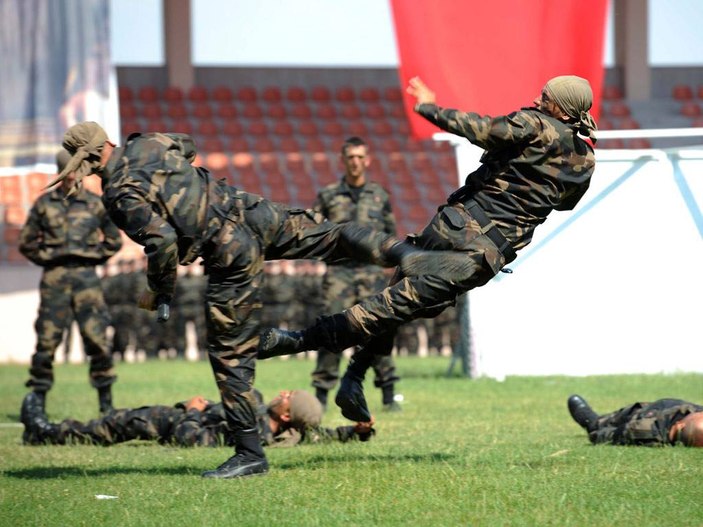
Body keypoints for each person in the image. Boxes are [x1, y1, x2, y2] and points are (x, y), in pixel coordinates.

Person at [50, 121, 464, 479]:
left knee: (229, 355)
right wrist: (187, 186)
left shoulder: (119, 192)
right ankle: (408, 255)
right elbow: (189, 145)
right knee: (329, 234)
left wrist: (160, 289)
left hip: (228, 253)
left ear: (86, 159)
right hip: (248, 210)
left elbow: (161, 240)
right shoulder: (150, 141)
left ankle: (250, 454)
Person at [260, 75, 598, 423]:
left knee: (393, 303)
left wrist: (427, 106)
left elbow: (479, 129)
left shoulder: (536, 125)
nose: (538, 98)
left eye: (546, 96)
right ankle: (324, 358)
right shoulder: (585, 159)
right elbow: (563, 204)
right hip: (481, 254)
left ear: (562, 105)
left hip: (454, 226)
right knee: (395, 306)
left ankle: (336, 366)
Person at [19, 149, 123, 415]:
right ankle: (38, 403)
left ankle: (106, 406)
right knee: (47, 340)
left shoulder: (96, 203)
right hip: (54, 278)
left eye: (76, 171)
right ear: (61, 173)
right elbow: (26, 243)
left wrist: (91, 258)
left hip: (86, 278)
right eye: (68, 172)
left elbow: (113, 241)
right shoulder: (44, 204)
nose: (72, 177)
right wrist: (50, 259)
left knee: (96, 338)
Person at [310, 136, 400, 412]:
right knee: (331, 331)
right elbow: (313, 232)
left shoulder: (379, 195)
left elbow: (390, 233)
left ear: (368, 160)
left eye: (361, 157)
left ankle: (388, 394)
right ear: (343, 160)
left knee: (379, 329)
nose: (356, 162)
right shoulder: (328, 195)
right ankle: (321, 396)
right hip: (339, 273)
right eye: (351, 157)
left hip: (371, 273)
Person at [20, 389, 375, 447]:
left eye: (288, 398)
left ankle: (44, 432)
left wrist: (192, 411)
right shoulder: (291, 433)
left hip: (177, 423)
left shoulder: (253, 435)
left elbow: (189, 441)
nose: (284, 393)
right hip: (193, 415)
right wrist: (356, 431)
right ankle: (48, 430)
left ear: (286, 414)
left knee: (117, 422)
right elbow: (322, 434)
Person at [567, 395, 703, 447]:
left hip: (635, 415)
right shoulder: (695, 413)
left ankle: (592, 422)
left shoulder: (646, 430)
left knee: (604, 424)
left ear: (680, 425)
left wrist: (595, 434)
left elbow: (614, 435)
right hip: (655, 408)